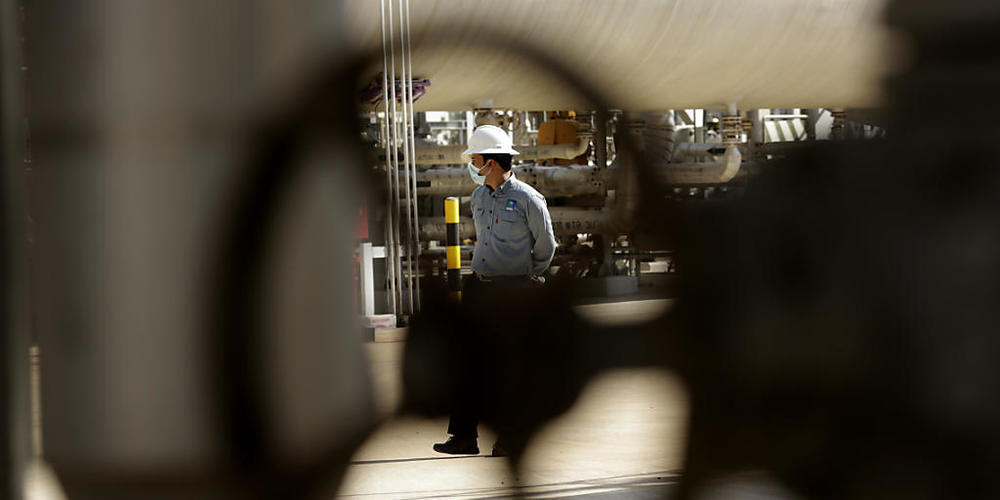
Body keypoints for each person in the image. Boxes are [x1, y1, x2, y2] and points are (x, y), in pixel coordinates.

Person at [433, 125, 556, 457]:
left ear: (490, 163)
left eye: (475, 158)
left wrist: (529, 277)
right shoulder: (478, 196)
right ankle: (463, 437)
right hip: (480, 286)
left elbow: (546, 245)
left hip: (514, 290)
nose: (471, 165)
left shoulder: (529, 199)